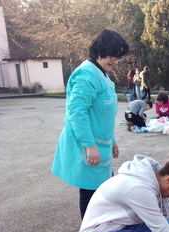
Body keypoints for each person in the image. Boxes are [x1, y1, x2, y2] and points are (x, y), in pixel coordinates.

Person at [52, 29, 129, 219]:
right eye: (112, 55)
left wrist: (112, 139)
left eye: (118, 57)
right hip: (91, 146)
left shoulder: (101, 74)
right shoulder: (86, 75)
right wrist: (89, 145)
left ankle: (100, 231)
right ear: (101, 49)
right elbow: (77, 113)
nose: (115, 61)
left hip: (101, 145)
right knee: (91, 195)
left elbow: (101, 114)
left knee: (103, 193)